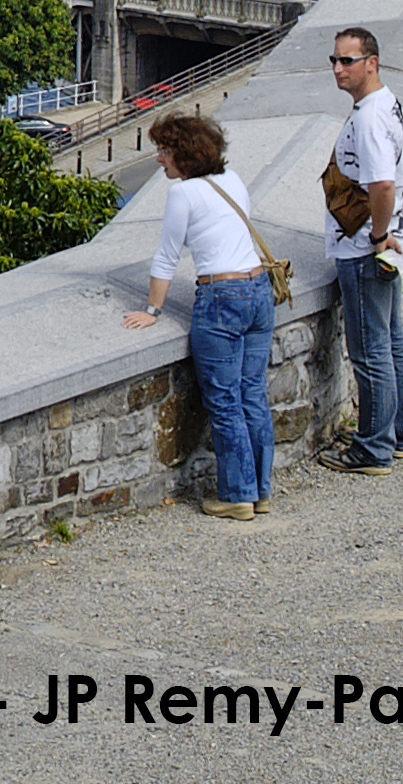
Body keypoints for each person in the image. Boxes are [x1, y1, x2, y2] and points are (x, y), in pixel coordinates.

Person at [122, 109, 276, 518]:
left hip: (222, 296)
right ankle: (260, 490)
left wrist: (153, 309)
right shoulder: (232, 179)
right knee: (253, 396)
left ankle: (237, 496)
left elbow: (167, 257)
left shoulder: (183, 194)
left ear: (184, 155)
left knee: (224, 402)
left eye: (164, 151)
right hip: (259, 289)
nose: (159, 159)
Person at [315, 26, 403, 475]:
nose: (339, 69)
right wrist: (397, 223)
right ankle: (396, 435)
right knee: (392, 343)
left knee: (371, 350)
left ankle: (372, 448)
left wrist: (377, 234)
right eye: (335, 60)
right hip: (390, 241)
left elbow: (381, 183)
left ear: (371, 62)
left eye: (348, 61)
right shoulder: (389, 103)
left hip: (365, 249)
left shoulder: (369, 118)